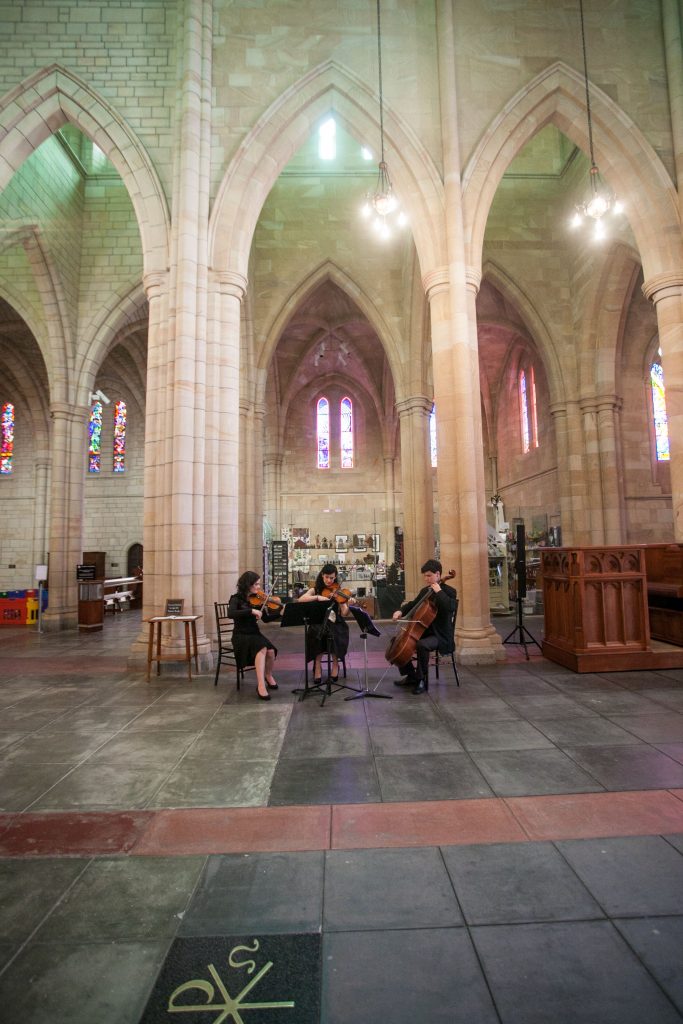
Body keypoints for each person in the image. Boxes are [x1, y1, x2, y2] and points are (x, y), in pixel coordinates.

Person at [392, 559, 457, 694]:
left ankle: (421, 679)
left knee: (422, 645)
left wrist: (439, 592)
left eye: (429, 576)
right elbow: (413, 604)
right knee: (398, 642)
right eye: (425, 576)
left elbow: (450, 607)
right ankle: (411, 675)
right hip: (424, 632)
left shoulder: (449, 591)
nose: (426, 579)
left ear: (438, 574)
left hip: (440, 635)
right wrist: (400, 611)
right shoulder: (425, 591)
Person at [228, 571, 280, 701]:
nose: (258, 587)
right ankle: (261, 685)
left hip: (254, 633)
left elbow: (266, 619)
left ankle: (268, 675)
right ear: (248, 584)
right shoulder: (236, 599)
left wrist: (280, 613)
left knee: (271, 651)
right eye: (256, 584)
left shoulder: (258, 599)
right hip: (241, 635)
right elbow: (231, 613)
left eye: (258, 584)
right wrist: (251, 611)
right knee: (262, 648)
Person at [298, 563, 350, 683]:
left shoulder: (339, 592)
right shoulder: (315, 589)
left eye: (332, 578)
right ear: (322, 575)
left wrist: (348, 605)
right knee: (316, 632)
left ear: (335, 577)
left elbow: (344, 613)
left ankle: (335, 665)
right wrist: (317, 597)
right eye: (327, 577)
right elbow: (301, 599)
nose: (329, 580)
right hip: (319, 621)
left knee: (335, 633)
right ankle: (317, 665)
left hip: (335, 622)